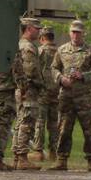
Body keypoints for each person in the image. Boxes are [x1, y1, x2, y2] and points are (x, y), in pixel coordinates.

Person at [51, 19, 91, 171]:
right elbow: (54, 68)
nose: (75, 35)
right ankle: (61, 160)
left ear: (83, 33)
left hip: (84, 97)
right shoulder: (61, 50)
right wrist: (61, 79)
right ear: (69, 33)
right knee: (64, 129)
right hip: (66, 97)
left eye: (78, 32)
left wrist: (84, 75)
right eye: (73, 32)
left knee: (88, 130)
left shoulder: (90, 51)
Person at [11, 17, 44, 171]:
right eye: (37, 28)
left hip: (23, 88)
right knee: (27, 122)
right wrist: (40, 84)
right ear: (29, 28)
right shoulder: (28, 47)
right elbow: (30, 71)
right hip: (28, 89)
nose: (39, 31)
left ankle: (17, 157)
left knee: (20, 122)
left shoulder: (21, 44)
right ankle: (22, 157)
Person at [31, 26, 58, 161]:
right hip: (57, 92)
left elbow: (34, 70)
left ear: (42, 38)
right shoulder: (60, 52)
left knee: (40, 122)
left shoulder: (39, 51)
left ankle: (38, 151)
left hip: (42, 92)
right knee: (54, 123)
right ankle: (54, 151)